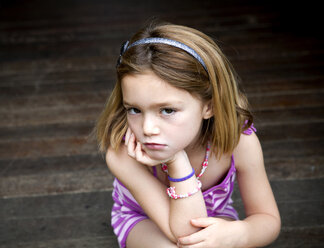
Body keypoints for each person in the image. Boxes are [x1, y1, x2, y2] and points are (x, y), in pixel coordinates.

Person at [95, 21, 281, 247]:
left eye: (168, 110)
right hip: (143, 222)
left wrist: (237, 234)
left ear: (209, 107)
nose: (147, 129)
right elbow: (185, 235)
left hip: (214, 219)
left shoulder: (240, 142)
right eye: (135, 109)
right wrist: (176, 161)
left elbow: (268, 220)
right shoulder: (123, 153)